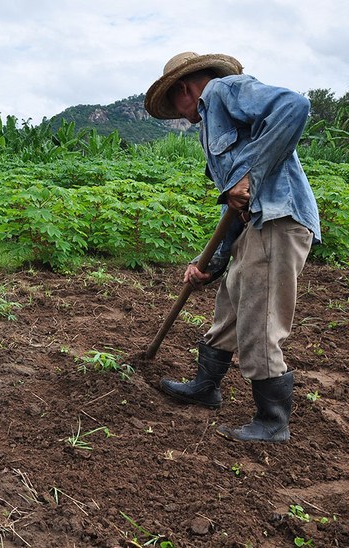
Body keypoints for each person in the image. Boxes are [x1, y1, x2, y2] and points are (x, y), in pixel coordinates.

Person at [144, 52, 321, 443]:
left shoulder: (224, 90)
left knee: (260, 317)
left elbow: (295, 105)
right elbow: (235, 206)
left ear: (184, 89)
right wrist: (211, 262)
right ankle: (206, 387)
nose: (177, 113)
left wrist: (250, 173)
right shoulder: (212, 121)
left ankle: (272, 422)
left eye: (173, 104)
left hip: (278, 221)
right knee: (229, 307)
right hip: (253, 227)